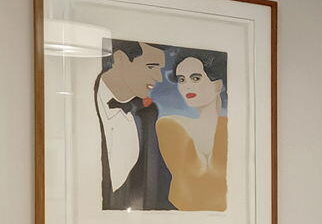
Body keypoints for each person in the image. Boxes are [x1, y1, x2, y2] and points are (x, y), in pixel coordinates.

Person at [95, 39, 171, 210]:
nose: (158, 77)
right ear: (121, 60)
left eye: (160, 69)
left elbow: (157, 186)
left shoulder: (148, 114)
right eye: (151, 67)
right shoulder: (79, 101)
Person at [157, 52, 229, 212]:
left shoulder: (230, 128)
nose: (186, 86)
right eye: (181, 79)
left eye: (195, 78)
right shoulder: (170, 125)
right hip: (181, 219)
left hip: (227, 222)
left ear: (217, 85)